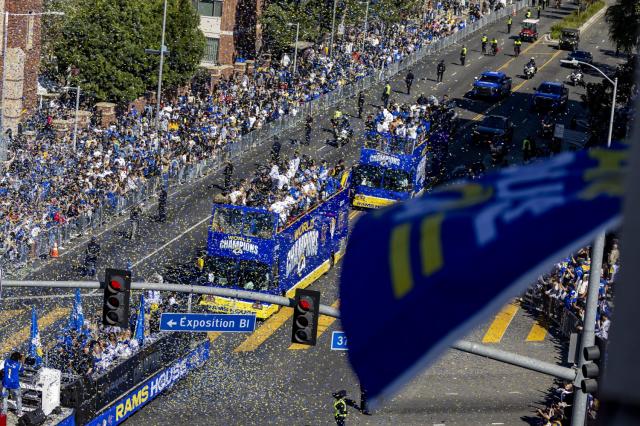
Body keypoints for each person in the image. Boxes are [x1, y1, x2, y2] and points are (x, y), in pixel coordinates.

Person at [2, 352, 25, 418]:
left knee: (4, 398)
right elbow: (22, 371)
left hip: (6, 383)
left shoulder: (6, 361)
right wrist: (22, 361)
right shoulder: (18, 365)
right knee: (18, 398)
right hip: (15, 384)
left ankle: (4, 413)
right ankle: (19, 412)